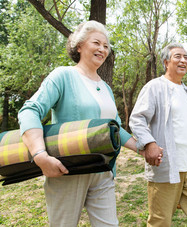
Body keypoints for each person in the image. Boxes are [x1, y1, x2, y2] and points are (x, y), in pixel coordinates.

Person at [18, 21, 143, 227]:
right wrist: (40, 155)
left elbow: (115, 128)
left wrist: (142, 148)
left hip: (102, 170)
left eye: (106, 46)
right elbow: (30, 111)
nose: (102, 49)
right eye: (96, 43)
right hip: (67, 170)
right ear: (79, 46)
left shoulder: (105, 87)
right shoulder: (63, 76)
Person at [129, 43, 187, 227]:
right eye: (178, 56)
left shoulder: (186, 91)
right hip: (166, 167)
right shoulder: (155, 87)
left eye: (186, 57)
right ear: (166, 62)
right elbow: (137, 119)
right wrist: (149, 143)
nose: (183, 60)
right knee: (161, 221)